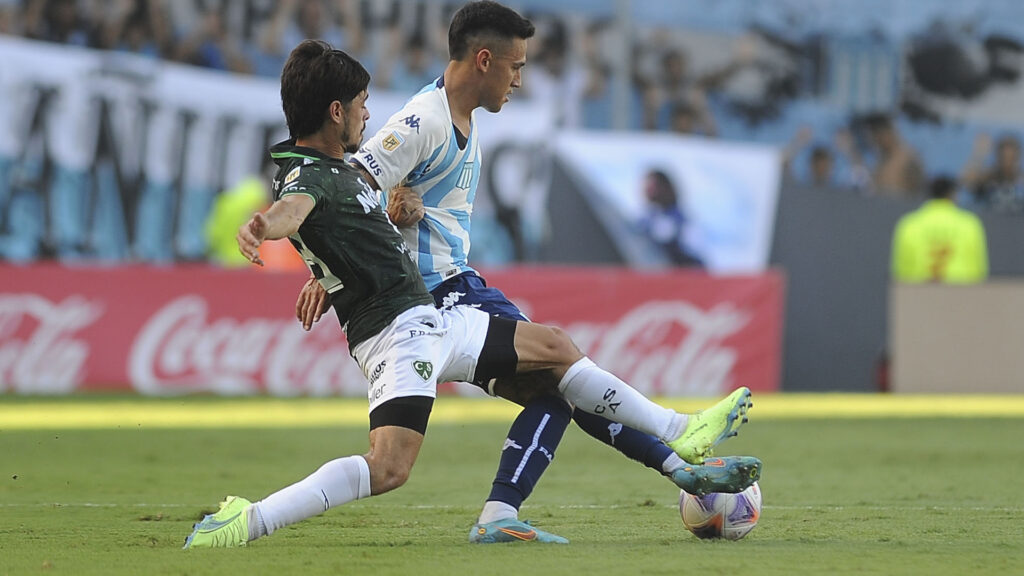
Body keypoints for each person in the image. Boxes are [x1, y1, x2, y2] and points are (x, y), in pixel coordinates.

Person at [183, 39, 759, 549]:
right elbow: (295, 209)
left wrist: (379, 232)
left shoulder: (339, 171)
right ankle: (250, 520)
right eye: (360, 103)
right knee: (388, 469)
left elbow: (345, 226)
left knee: (556, 350)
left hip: (433, 320)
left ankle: (680, 432)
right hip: (400, 334)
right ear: (337, 112)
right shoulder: (316, 174)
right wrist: (263, 226)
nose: (368, 113)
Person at [891, 176, 988, 284]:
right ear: (952, 195)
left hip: (919, 291)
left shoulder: (909, 224)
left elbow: (901, 270)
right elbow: (978, 269)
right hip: (961, 291)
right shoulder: (969, 223)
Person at [638, 169, 703, 268]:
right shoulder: (648, 217)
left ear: (664, 188)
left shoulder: (677, 218)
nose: (648, 190)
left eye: (652, 186)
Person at [960, 133, 1024, 214]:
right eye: (1003, 157)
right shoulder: (988, 178)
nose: (1007, 161)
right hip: (990, 220)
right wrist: (979, 155)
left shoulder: (1021, 180)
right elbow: (966, 182)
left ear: (1017, 157)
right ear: (997, 156)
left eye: (1011, 157)